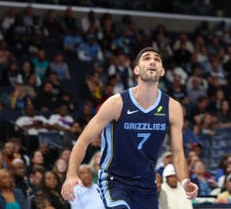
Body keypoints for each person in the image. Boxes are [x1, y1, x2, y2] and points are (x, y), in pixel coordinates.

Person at [61, 47, 198, 207]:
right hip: (115, 180)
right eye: (146, 58)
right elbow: (83, 140)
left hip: (146, 183)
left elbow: (177, 152)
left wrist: (185, 181)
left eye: (157, 59)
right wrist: (71, 175)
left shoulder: (172, 108)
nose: (152, 61)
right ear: (136, 70)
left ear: (162, 72)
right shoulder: (116, 103)